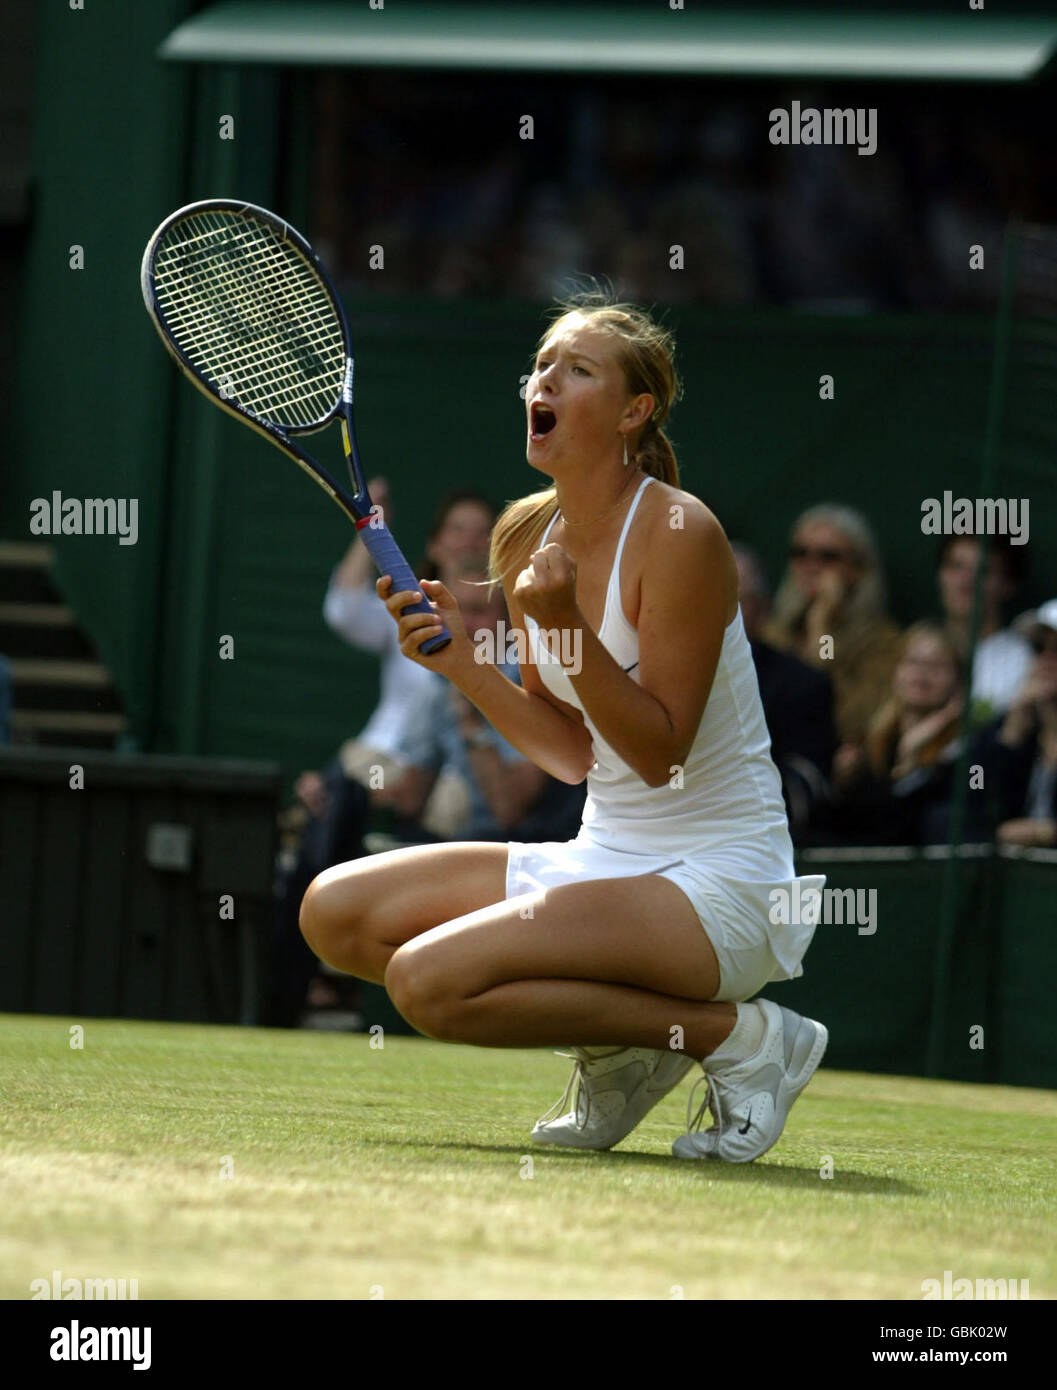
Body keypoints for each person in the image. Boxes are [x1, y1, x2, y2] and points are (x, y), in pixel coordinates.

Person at [300, 295, 828, 1165]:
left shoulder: (680, 531)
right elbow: (572, 753)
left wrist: (565, 629)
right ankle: (624, 1049)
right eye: (542, 364)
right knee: (337, 914)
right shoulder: (525, 535)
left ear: (633, 411)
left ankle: (738, 1039)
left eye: (576, 368)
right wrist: (465, 666)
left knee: (426, 985)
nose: (545, 379)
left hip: (719, 885)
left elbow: (658, 754)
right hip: (604, 856)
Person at [763, 503, 902, 748]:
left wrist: (821, 626)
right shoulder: (774, 633)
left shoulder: (882, 643)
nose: (811, 565)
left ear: (858, 569)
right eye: (800, 553)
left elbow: (850, 720)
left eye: (828, 556)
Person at [731, 543, 837, 840]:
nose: (709, 607)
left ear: (762, 609)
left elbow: (801, 790)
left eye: (730, 598)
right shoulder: (654, 672)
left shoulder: (801, 685)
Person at [827, 622, 966, 845]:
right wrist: (842, 785)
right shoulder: (870, 742)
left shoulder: (964, 752)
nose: (922, 673)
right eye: (913, 662)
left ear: (958, 682)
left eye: (937, 666)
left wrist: (912, 767)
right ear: (896, 672)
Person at [972, 599, 1057, 848]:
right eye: (1040, 648)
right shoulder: (1013, 721)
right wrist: (1008, 739)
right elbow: (972, 786)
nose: (1047, 659)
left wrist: (1046, 833)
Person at [935, 535, 1033, 725]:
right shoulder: (909, 650)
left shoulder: (1022, 663)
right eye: (955, 566)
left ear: (1008, 585)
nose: (965, 581)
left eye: (983, 571)